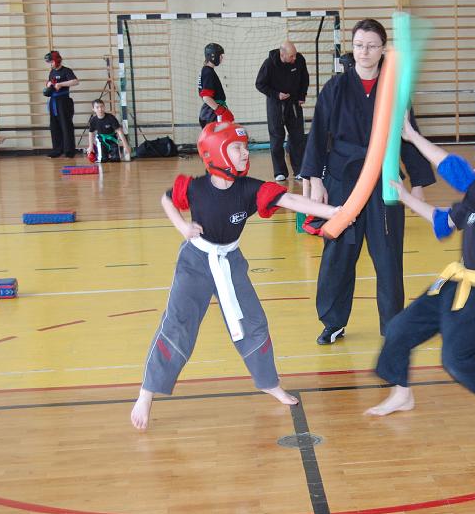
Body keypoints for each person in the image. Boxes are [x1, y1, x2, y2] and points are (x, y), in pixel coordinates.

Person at [130, 121, 342, 430]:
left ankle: (269, 383)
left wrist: (333, 212)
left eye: (245, 147)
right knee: (177, 324)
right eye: (237, 148)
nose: (245, 153)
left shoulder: (249, 189)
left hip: (230, 262)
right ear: (216, 153)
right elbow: (167, 200)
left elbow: (291, 201)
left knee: (253, 322)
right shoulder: (195, 188)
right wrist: (183, 227)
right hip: (194, 262)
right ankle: (146, 393)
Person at [364, 117, 475, 431]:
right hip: (456, 283)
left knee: (456, 360)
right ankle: (401, 394)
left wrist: (413, 136)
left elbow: (452, 168)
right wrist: (405, 197)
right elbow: (443, 221)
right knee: (399, 329)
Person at [300, 18, 435, 346]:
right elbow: (318, 134)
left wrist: (418, 182)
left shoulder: (394, 90)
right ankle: (333, 322)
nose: (364, 52)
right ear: (353, 47)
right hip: (343, 181)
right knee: (338, 256)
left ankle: (392, 325)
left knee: (388, 256)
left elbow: (407, 134)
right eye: (359, 45)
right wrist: (315, 180)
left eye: (372, 46)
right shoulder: (335, 88)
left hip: (384, 184)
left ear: (382, 49)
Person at [255, 40, 309, 181]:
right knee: (277, 138)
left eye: (295, 55)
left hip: (294, 104)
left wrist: (302, 95)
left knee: (297, 137)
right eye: (291, 56)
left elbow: (305, 78)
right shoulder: (269, 64)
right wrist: (276, 95)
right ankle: (280, 172)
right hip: (276, 105)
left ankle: (299, 170)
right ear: (282, 54)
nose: (294, 58)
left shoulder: (299, 60)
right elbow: (259, 84)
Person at [44, 51, 79, 158]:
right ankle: (57, 150)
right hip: (53, 101)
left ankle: (69, 151)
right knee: (54, 126)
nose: (50, 64)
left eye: (52, 62)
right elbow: (49, 82)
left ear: (57, 61)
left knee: (66, 126)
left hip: (64, 101)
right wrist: (48, 84)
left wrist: (61, 84)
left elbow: (75, 81)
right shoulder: (52, 72)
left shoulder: (66, 70)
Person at [198, 43, 234, 128]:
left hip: (210, 112)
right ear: (213, 56)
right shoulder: (208, 72)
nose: (221, 58)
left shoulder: (207, 70)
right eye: (220, 55)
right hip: (212, 113)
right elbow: (206, 97)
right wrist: (220, 110)